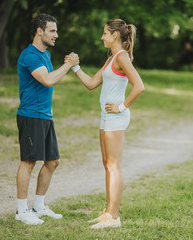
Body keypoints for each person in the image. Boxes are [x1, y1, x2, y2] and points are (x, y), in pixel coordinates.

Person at [68, 19, 145, 229]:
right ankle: (108, 212)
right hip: (106, 117)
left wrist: (122, 106)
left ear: (115, 36)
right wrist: (75, 68)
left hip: (116, 117)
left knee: (114, 166)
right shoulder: (111, 58)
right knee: (107, 164)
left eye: (104, 33)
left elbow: (139, 86)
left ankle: (114, 217)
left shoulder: (122, 58)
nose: (102, 37)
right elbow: (92, 84)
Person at [15, 13, 79, 225]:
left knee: (52, 161)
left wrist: (65, 66)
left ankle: (39, 207)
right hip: (31, 115)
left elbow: (51, 80)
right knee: (29, 161)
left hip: (45, 116)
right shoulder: (29, 55)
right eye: (52, 30)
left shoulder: (46, 56)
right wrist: (69, 65)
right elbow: (48, 80)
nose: (56, 35)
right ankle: (22, 211)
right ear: (39, 31)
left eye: (56, 30)